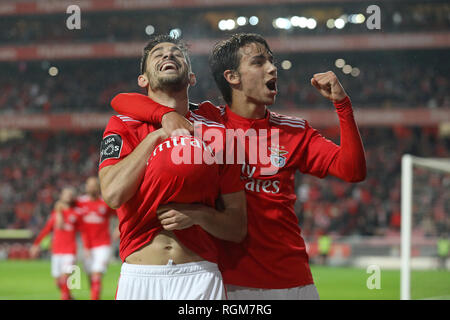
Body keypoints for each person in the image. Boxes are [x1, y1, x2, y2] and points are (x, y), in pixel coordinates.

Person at [110, 33, 366, 300]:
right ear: (232, 77)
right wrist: (166, 115)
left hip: (294, 279)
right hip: (232, 283)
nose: (272, 68)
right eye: (259, 62)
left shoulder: (294, 131)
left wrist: (342, 106)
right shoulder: (209, 121)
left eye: (271, 61)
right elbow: (122, 101)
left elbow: (353, 171)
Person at [99, 35, 247, 300]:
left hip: (200, 278)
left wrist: (198, 215)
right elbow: (112, 194)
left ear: (191, 77)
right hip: (140, 278)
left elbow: (237, 228)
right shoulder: (122, 124)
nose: (168, 55)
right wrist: (156, 136)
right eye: (158, 54)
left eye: (177, 54)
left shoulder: (215, 130)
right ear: (142, 80)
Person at [30, 187, 82, 300]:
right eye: (66, 193)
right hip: (57, 251)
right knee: (58, 282)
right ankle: (70, 297)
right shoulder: (55, 214)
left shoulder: (77, 213)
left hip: (70, 251)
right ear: (61, 196)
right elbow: (46, 230)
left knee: (64, 279)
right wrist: (36, 244)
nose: (68, 196)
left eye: (70, 194)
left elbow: (85, 230)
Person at [76, 176, 117, 300]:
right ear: (86, 187)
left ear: (98, 187)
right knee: (90, 276)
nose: (92, 187)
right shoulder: (80, 202)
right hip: (86, 246)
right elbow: (64, 206)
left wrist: (119, 229)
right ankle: (94, 295)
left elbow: (121, 213)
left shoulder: (105, 203)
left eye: (94, 185)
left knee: (96, 275)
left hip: (103, 244)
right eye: (90, 185)